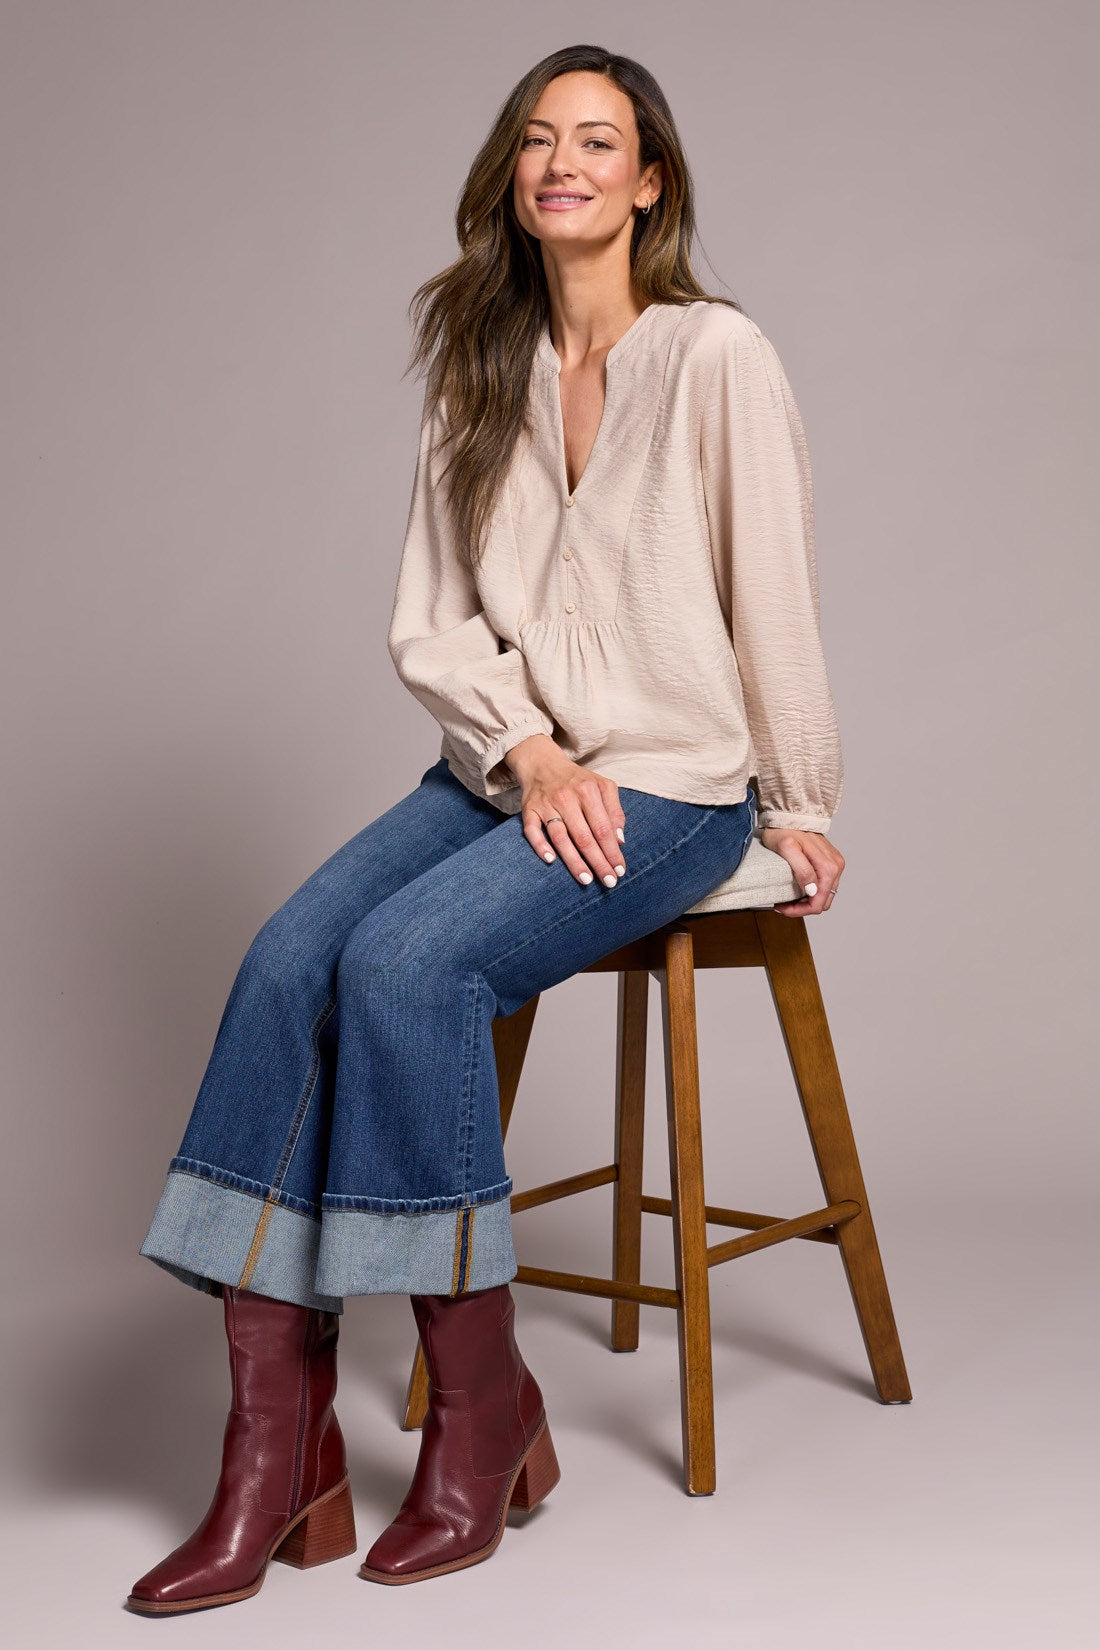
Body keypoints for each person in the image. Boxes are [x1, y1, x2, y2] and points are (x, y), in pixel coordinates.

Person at [126, 42, 846, 1616]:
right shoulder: (477, 357)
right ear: (513, 177)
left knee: (406, 968)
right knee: (285, 959)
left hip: (671, 783)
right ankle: (273, 1454)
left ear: (649, 181)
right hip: (502, 769)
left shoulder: (717, 355)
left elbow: (772, 589)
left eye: (597, 140)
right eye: (538, 139)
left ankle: (484, 1417)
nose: (562, 163)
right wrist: (524, 748)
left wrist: (798, 797)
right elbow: (436, 617)